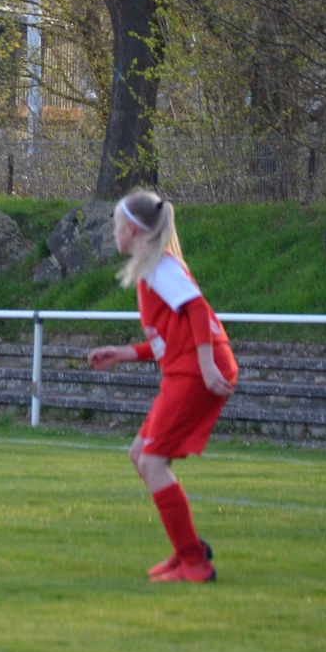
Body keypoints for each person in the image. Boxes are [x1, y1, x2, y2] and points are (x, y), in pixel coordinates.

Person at [87, 189, 237, 583]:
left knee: (152, 462)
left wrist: (206, 365)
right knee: (141, 454)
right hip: (186, 369)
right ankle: (187, 547)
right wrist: (125, 353)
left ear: (133, 229)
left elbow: (198, 309)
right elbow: (172, 337)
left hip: (195, 373)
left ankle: (194, 563)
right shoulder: (151, 269)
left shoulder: (159, 266)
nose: (113, 231)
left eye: (116, 223)